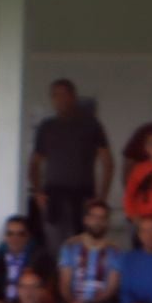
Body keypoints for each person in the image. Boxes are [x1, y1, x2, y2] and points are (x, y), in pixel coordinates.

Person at [29, 79, 111, 255]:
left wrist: (101, 197)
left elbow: (107, 162)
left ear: (73, 97)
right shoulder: (47, 126)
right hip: (53, 196)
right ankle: (58, 281)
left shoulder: (91, 124)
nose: (60, 99)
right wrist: (37, 192)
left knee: (84, 246)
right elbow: (34, 162)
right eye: (56, 95)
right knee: (54, 248)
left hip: (83, 196)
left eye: (64, 94)